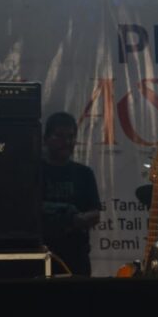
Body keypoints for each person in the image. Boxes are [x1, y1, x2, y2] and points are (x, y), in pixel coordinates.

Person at [41, 111, 101, 276]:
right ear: (45, 139)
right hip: (40, 256)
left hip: (76, 258)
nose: (67, 142)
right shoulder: (34, 172)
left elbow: (95, 214)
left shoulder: (84, 173)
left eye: (71, 137)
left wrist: (75, 219)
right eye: (60, 136)